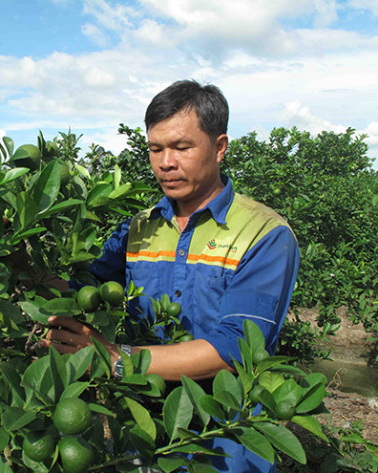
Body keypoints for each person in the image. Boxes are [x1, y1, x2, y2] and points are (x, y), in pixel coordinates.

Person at [39, 79, 300, 472]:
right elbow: (81, 294)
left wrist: (118, 360)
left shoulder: (264, 234)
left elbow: (235, 346)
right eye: (155, 149)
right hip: (144, 432)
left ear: (220, 146)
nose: (165, 163)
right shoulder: (137, 228)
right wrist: (21, 267)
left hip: (225, 438)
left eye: (181, 147)